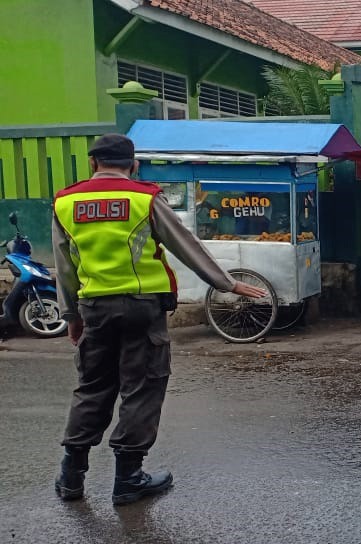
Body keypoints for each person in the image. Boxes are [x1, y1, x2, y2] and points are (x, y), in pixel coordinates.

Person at [51, 134, 268, 506]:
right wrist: (227, 283)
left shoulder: (65, 202)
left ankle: (71, 477)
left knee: (92, 386)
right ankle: (128, 479)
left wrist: (71, 315)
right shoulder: (145, 198)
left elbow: (64, 265)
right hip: (141, 308)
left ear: (93, 163)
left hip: (94, 307)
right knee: (142, 387)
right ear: (133, 165)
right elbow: (185, 244)